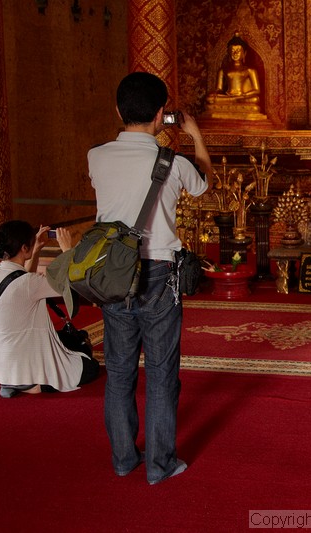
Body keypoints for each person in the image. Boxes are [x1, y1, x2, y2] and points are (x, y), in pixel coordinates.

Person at [88, 71, 213, 485]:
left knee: (120, 371)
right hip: (160, 270)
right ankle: (160, 466)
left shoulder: (97, 156)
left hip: (112, 271)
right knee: (161, 373)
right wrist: (194, 138)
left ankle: (124, 459)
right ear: (162, 115)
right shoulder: (174, 164)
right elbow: (204, 186)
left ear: (117, 111)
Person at [0, 221, 100, 398]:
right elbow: (69, 283)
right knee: (90, 367)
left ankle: (12, 381)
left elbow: (20, 278)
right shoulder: (30, 284)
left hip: (0, 359)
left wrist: (34, 251)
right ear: (24, 248)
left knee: (66, 340)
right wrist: (67, 250)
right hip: (22, 357)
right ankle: (34, 386)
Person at [206, 33, 261, 106]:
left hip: (242, 97)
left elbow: (257, 90)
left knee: (255, 99)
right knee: (209, 99)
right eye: (232, 51)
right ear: (228, 53)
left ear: (244, 53)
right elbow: (219, 89)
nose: (235, 53)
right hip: (228, 96)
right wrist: (214, 93)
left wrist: (244, 95)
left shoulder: (250, 70)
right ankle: (234, 100)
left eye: (238, 50)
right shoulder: (223, 70)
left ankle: (235, 100)